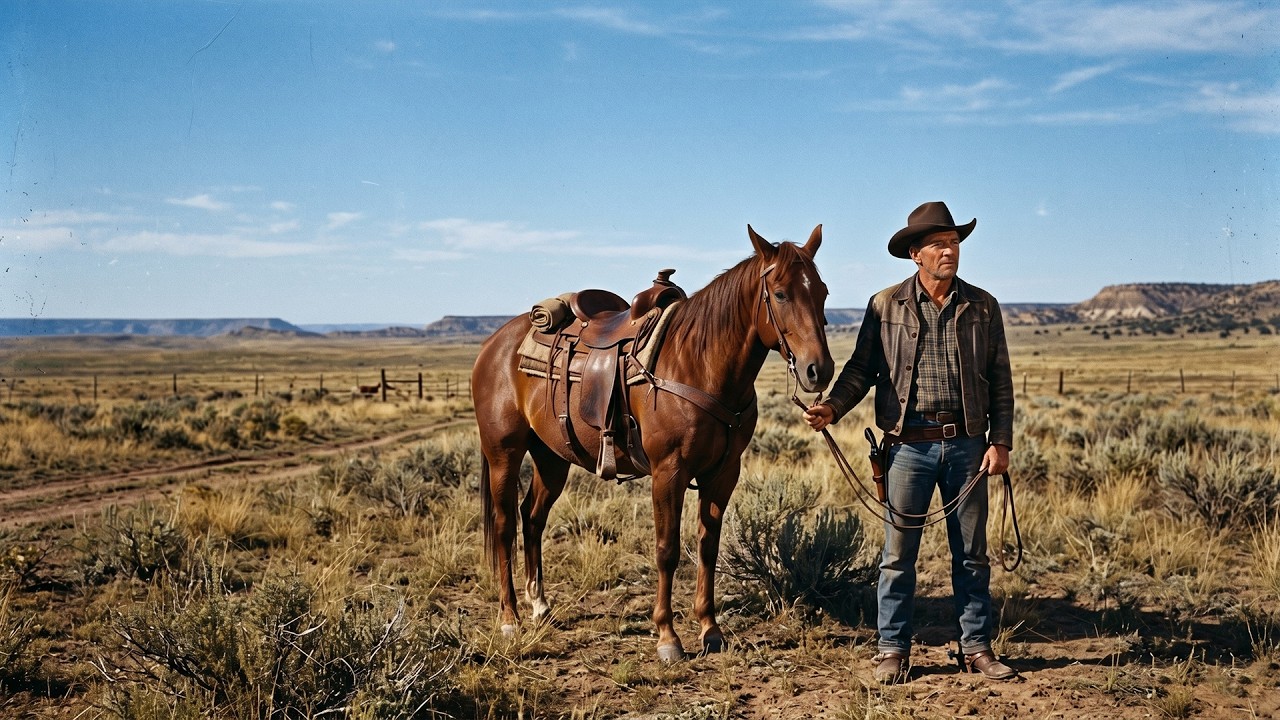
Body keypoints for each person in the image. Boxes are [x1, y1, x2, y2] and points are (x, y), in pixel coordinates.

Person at [804, 201, 1016, 684]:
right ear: (915, 254)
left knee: (972, 556)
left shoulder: (982, 305)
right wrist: (833, 407)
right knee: (898, 557)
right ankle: (893, 649)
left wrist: (999, 441)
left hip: (967, 446)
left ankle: (976, 647)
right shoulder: (884, 305)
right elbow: (862, 369)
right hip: (907, 448)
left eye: (954, 242)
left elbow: (1000, 379)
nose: (949, 251)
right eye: (939, 244)